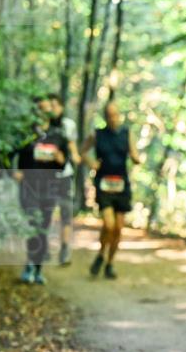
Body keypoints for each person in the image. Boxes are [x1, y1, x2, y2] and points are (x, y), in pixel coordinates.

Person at [82, 101, 142, 279]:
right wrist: (91, 163)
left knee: (118, 228)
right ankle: (101, 253)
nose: (112, 118)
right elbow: (83, 151)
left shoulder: (126, 133)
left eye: (115, 115)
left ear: (119, 115)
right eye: (109, 115)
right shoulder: (97, 134)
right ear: (105, 116)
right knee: (108, 224)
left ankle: (109, 263)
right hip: (103, 183)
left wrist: (137, 159)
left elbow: (134, 154)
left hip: (121, 183)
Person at [14, 96, 69, 284]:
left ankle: (37, 269)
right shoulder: (27, 135)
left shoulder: (58, 135)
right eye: (39, 110)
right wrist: (15, 172)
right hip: (29, 186)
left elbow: (63, 164)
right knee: (33, 223)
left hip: (49, 187)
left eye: (46, 110)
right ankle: (30, 264)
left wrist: (59, 156)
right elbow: (10, 154)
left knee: (43, 228)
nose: (42, 114)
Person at [48, 93, 81, 266]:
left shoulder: (68, 125)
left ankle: (65, 248)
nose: (52, 109)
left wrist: (74, 156)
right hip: (45, 177)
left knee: (65, 214)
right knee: (44, 212)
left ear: (61, 106)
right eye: (49, 105)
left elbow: (72, 147)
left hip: (64, 176)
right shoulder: (42, 126)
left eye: (55, 105)